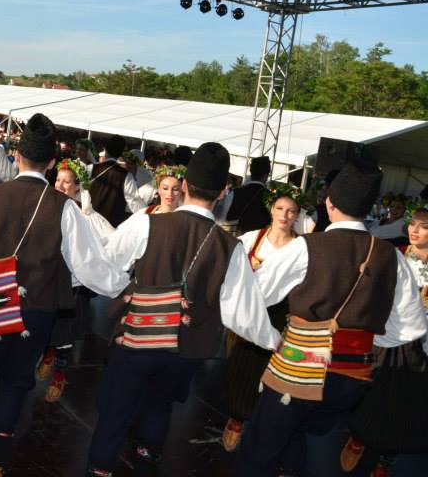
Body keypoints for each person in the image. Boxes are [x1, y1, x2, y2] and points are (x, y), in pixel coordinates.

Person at [0, 115, 127, 477]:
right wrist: (123, 287)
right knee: (15, 383)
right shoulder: (65, 208)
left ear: (16, 156)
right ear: (51, 163)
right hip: (37, 309)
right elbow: (88, 265)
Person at [87, 142, 279, 477]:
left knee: (116, 410)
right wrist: (275, 341)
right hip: (186, 348)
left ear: (185, 185)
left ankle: (99, 470)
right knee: (159, 407)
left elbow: (107, 268)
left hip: (137, 337)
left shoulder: (146, 224)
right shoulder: (230, 247)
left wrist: (124, 293)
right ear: (223, 192)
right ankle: (145, 465)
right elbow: (242, 315)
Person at [238, 161, 428, 476]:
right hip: (351, 379)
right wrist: (365, 340)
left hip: (298, 370)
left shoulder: (306, 247)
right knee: (304, 439)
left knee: (260, 448)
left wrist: (272, 340)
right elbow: (413, 326)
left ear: (329, 203)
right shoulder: (392, 256)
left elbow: (250, 298)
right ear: (369, 209)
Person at [339, 200, 428, 475]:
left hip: (419, 341)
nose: (414, 230)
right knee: (370, 388)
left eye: (424, 227)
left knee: (406, 401)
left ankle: (386, 457)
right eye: (412, 224)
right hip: (385, 332)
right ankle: (358, 437)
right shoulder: (395, 254)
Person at [221, 184, 307, 452]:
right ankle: (237, 418)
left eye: (291, 211)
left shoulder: (302, 247)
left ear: (298, 215)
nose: (284, 215)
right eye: (280, 208)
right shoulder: (252, 238)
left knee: (271, 371)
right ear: (271, 208)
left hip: (279, 314)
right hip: (248, 312)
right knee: (241, 365)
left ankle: (262, 422)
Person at [35, 157, 117, 404]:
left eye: (66, 182)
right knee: (44, 324)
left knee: (65, 332)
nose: (60, 185)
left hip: (72, 285)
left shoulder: (88, 215)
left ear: (78, 186)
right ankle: (47, 352)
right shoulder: (47, 207)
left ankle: (59, 375)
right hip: (47, 278)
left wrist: (93, 260)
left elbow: (114, 241)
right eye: (58, 180)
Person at [88, 134, 146, 227]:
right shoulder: (127, 175)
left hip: (89, 220)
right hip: (110, 224)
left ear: (106, 150)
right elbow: (134, 201)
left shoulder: (91, 168)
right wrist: (148, 216)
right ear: (121, 154)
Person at [224, 155, 272, 235]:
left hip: (234, 236)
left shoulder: (235, 192)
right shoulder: (270, 197)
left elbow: (224, 216)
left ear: (251, 172)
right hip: (257, 239)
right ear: (266, 175)